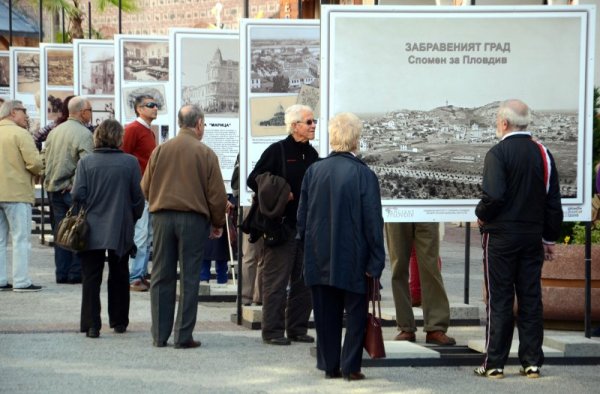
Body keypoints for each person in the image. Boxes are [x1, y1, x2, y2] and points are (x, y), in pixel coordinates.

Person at [474, 99, 563, 379]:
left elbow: (495, 196)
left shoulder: (497, 154)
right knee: (530, 298)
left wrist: (481, 213)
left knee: (499, 299)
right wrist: (549, 238)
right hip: (531, 237)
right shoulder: (543, 153)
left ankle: (495, 364)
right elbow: (553, 201)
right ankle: (532, 362)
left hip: (500, 237)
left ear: (503, 123)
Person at [297, 112, 385, 381]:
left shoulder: (314, 171)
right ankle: (351, 366)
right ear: (356, 140)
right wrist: (376, 261)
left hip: (318, 254)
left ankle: (329, 365)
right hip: (353, 256)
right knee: (356, 313)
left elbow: (302, 218)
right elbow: (373, 220)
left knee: (325, 313)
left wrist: (306, 249)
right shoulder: (364, 174)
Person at [142, 104, 227, 349]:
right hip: (193, 219)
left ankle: (159, 335)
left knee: (160, 275)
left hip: (162, 218)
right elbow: (216, 195)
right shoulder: (206, 153)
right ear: (199, 123)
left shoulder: (160, 150)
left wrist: (160, 200)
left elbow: (145, 187)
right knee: (189, 277)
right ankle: (183, 335)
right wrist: (217, 222)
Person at [247, 104, 319, 345]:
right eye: (308, 122)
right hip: (281, 227)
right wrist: (280, 190)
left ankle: (297, 329)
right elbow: (253, 179)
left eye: (313, 121)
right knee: (276, 281)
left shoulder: (312, 155)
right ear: (295, 125)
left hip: (305, 226)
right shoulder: (277, 150)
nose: (313, 126)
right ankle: (273, 331)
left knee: (304, 282)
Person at [71, 119, 144, 338]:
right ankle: (119, 321)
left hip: (90, 228)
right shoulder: (130, 163)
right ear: (118, 137)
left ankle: (92, 324)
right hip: (119, 227)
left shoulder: (86, 163)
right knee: (120, 273)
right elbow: (137, 198)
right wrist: (132, 217)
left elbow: (77, 194)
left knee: (91, 276)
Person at [43, 96, 94, 284]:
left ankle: (61, 273)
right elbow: (87, 164)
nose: (91, 114)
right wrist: (75, 182)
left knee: (61, 231)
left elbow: (44, 158)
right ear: (82, 112)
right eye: (90, 110)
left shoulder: (54, 132)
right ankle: (75, 273)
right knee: (78, 230)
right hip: (71, 190)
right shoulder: (84, 134)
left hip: (54, 189)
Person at [384, 221, 456, 346]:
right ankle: (405, 326)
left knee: (430, 266)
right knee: (398, 267)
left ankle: (435, 326)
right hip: (397, 206)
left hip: (426, 206)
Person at [0, 100, 44, 292]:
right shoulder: (20, 133)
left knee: (0, 240)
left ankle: (0, 280)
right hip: (16, 192)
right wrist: (41, 165)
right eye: (23, 111)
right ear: (12, 112)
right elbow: (34, 163)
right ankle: (21, 281)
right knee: (20, 238)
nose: (26, 115)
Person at [122, 95, 158, 292]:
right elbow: (124, 157)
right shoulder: (133, 130)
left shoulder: (148, 131)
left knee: (148, 233)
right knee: (141, 234)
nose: (155, 108)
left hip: (148, 190)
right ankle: (135, 276)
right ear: (139, 109)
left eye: (156, 105)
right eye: (150, 105)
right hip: (139, 190)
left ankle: (140, 274)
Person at [231, 154, 264, 306]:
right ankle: (246, 297)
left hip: (269, 203)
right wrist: (240, 197)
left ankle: (259, 296)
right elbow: (236, 179)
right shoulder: (247, 147)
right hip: (251, 203)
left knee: (264, 254)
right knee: (251, 253)